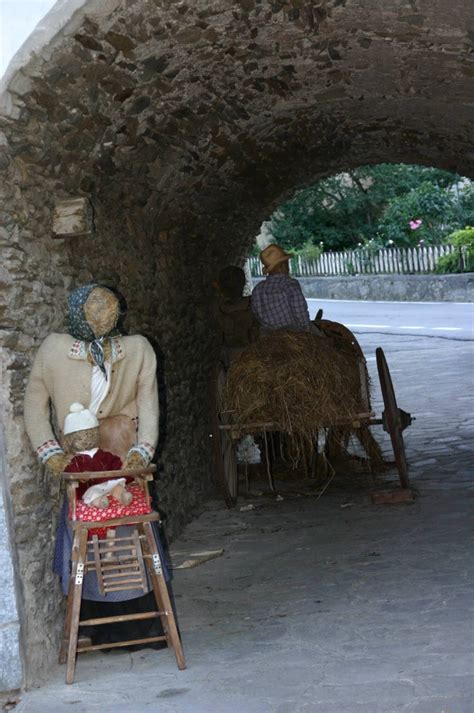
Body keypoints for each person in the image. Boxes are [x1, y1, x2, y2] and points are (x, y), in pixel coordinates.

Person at [24, 283, 158, 475]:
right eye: (94, 306)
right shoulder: (53, 350)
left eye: (106, 306)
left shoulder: (137, 350)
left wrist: (143, 450)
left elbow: (149, 404)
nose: (101, 311)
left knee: (125, 497)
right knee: (81, 498)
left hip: (122, 442)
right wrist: (49, 452)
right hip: (77, 447)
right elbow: (34, 405)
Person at [251, 244, 323, 335]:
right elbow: (300, 310)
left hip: (267, 333)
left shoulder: (258, 289)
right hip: (292, 331)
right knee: (324, 341)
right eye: (287, 264)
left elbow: (256, 313)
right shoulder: (290, 284)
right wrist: (306, 328)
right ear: (282, 266)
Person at [213, 265, 260, 354]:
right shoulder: (252, 303)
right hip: (252, 352)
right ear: (243, 283)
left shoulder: (218, 308)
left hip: (229, 352)